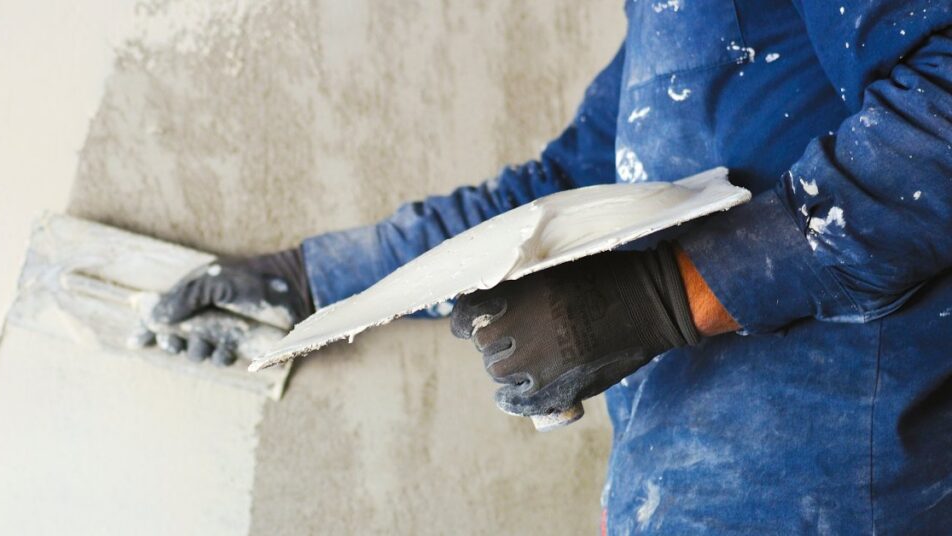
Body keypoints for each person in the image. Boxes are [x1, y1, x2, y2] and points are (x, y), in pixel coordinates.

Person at [145, 1, 952, 532]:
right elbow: (558, 195)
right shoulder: (669, 18)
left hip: (846, 496)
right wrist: (312, 283)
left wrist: (665, 297)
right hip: (676, 502)